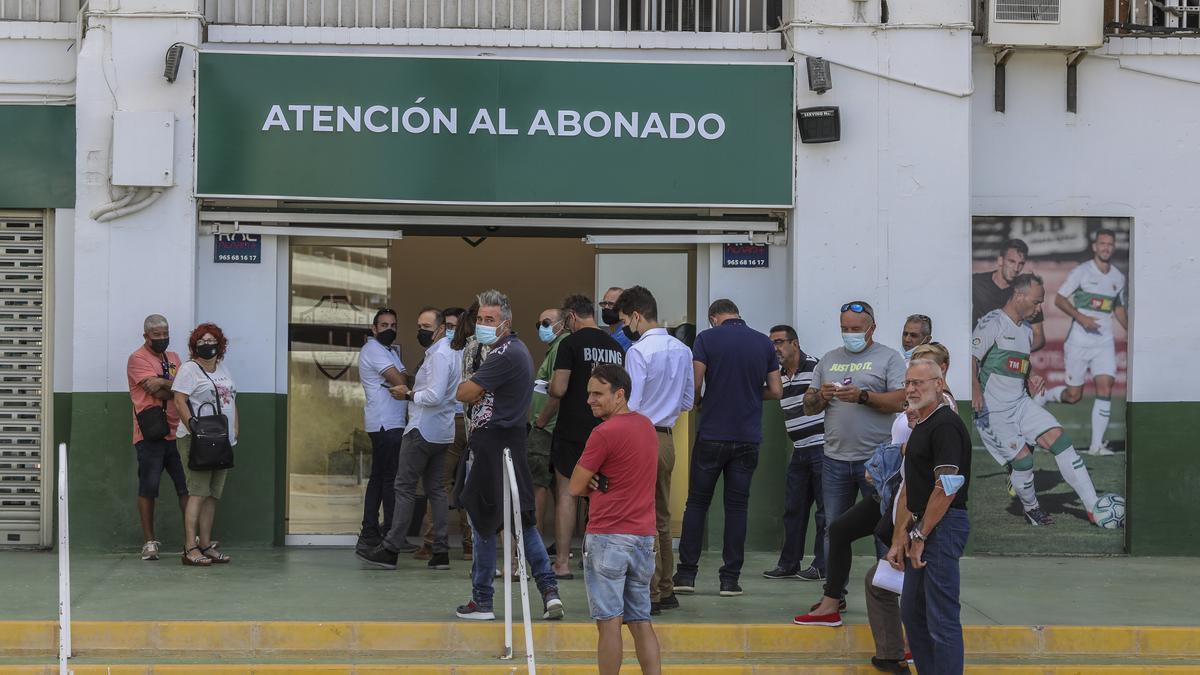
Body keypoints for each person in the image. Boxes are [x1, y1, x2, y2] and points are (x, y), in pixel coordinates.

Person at [453, 290, 564, 622]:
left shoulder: (504, 353)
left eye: (490, 320)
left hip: (494, 446)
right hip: (508, 444)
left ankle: (483, 600)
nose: (483, 325)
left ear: (506, 323)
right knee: (521, 522)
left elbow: (464, 392)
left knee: (485, 522)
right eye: (480, 319)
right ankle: (549, 592)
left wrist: (477, 386)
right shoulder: (512, 351)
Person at [972, 274, 1103, 526]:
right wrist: (975, 388)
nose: (1039, 307)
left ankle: (1093, 507)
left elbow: (1019, 361)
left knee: (1060, 439)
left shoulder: (1025, 329)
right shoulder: (992, 322)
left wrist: (1031, 374)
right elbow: (972, 357)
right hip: (993, 411)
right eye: (1036, 301)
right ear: (1019, 296)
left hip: (1020, 403)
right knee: (1023, 461)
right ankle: (1032, 509)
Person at [673, 299, 782, 597]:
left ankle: (686, 576)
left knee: (697, 503)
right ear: (738, 314)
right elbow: (775, 390)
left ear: (714, 318)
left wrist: (698, 402)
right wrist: (748, 394)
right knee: (737, 508)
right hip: (747, 437)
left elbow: (695, 383)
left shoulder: (707, 338)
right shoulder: (763, 343)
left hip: (712, 433)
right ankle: (730, 580)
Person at [802, 301, 906, 607]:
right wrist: (820, 395)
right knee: (833, 529)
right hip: (834, 459)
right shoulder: (829, 360)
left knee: (882, 530)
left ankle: (886, 594)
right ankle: (834, 595)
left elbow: (901, 401)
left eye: (856, 329)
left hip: (877, 462)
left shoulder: (889, 358)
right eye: (845, 328)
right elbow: (808, 405)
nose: (850, 334)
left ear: (871, 328)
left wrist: (864, 396)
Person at [569, 364, 662, 675]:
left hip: (609, 536)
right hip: (644, 538)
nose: (590, 400)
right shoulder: (647, 426)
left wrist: (592, 479)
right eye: (589, 393)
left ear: (619, 395)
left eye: (598, 393)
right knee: (641, 621)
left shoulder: (604, 433)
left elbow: (575, 486)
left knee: (609, 624)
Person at [359, 307, 463, 571]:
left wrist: (408, 395)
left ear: (440, 329)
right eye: (419, 326)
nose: (421, 331)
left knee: (404, 487)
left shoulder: (439, 355)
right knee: (437, 490)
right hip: (442, 431)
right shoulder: (450, 353)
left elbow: (434, 396)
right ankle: (440, 551)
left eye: (426, 327)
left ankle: (391, 548)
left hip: (422, 429)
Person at [886, 358, 972, 675]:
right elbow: (912, 487)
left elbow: (947, 487)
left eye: (919, 382)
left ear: (939, 383)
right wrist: (899, 539)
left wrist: (921, 535)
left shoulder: (945, 425)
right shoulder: (920, 424)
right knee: (913, 612)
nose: (912, 389)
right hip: (923, 525)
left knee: (941, 617)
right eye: (908, 382)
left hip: (942, 526)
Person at [614, 286, 694, 614]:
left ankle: (648, 592)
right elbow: (689, 401)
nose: (624, 328)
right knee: (661, 516)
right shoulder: (682, 349)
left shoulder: (638, 352)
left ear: (636, 315)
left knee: (640, 518)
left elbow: (630, 404)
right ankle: (666, 587)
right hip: (667, 438)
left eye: (624, 320)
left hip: (639, 438)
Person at [547, 294, 625, 578]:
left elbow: (558, 388)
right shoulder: (616, 346)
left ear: (571, 317)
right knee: (601, 494)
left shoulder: (569, 343)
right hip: (606, 430)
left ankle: (563, 564)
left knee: (568, 494)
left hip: (572, 428)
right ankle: (597, 561)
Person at [1042, 229, 1128, 456]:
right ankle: (1044, 396)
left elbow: (1118, 307)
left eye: (1110, 244)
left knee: (1105, 386)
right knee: (1074, 396)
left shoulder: (1118, 277)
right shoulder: (1082, 272)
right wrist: (1081, 318)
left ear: (1113, 247)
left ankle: (1096, 446)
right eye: (1102, 243)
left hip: (1104, 342)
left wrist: (1133, 331)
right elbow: (1059, 299)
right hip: (1079, 341)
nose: (1106, 247)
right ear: (1095, 246)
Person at [762, 324, 826, 583]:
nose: (775, 348)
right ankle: (789, 563)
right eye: (772, 344)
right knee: (794, 509)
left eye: (779, 342)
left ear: (795, 344)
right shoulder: (776, 376)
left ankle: (822, 565)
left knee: (825, 512)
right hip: (799, 451)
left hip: (822, 447)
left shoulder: (816, 368)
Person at [172, 323, 238, 567]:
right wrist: (196, 430)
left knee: (212, 495)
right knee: (197, 493)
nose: (207, 345)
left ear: (219, 345)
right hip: (197, 441)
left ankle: (206, 545)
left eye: (212, 341)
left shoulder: (223, 368)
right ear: (194, 346)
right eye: (202, 341)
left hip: (223, 441)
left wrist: (235, 430)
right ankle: (190, 547)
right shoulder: (189, 370)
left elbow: (232, 398)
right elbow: (179, 401)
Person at [127, 314, 187, 561]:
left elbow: (184, 388)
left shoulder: (173, 358)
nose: (162, 338)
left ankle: (192, 540)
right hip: (149, 434)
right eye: (157, 335)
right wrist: (172, 385)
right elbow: (153, 388)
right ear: (146, 336)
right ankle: (149, 542)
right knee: (148, 488)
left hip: (177, 432)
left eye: (165, 333)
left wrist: (164, 383)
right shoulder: (137, 358)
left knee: (186, 487)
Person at [415, 306, 473, 561]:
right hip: (456, 420)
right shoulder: (472, 350)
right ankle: (467, 543)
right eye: (447, 326)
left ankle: (432, 542)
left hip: (455, 420)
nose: (451, 331)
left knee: (440, 484)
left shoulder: (442, 354)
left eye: (454, 326)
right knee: (455, 483)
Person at [355, 308, 410, 554]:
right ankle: (387, 534)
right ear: (374, 328)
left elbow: (402, 377)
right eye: (384, 325)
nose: (389, 329)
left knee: (382, 477)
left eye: (393, 325)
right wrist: (401, 379)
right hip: (384, 423)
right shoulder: (374, 350)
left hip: (391, 421)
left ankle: (373, 532)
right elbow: (400, 381)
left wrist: (401, 379)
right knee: (387, 479)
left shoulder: (387, 351)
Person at [530, 307, 570, 534]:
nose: (542, 329)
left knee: (538, 484)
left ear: (562, 323)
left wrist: (540, 423)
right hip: (550, 426)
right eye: (539, 325)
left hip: (547, 428)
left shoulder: (561, 346)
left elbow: (557, 390)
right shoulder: (555, 347)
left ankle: (533, 541)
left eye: (546, 323)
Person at [972, 238, 1044, 350]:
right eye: (1011, 261)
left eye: (1021, 264)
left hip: (1004, 361)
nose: (1016, 268)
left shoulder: (1024, 291)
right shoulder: (975, 283)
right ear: (1000, 260)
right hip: (974, 352)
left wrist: (1016, 352)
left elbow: (1038, 336)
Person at [599, 286, 634, 351]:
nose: (606, 307)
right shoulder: (612, 334)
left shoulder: (626, 336)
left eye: (611, 304)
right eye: (604, 303)